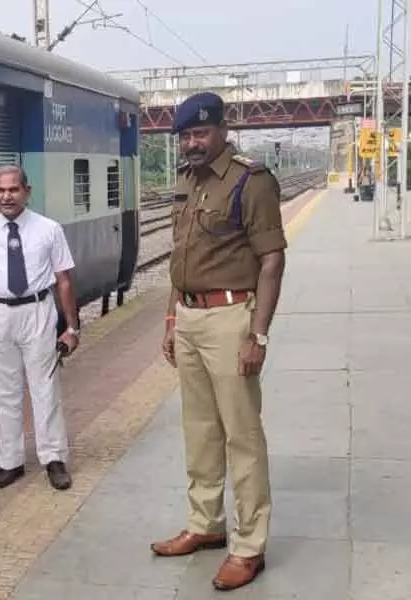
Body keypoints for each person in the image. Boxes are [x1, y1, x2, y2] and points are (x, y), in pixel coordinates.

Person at [151, 92, 287, 591]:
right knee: (200, 428)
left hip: (232, 317)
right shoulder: (186, 180)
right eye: (185, 136)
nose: (192, 143)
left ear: (222, 131)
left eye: (200, 134)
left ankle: (249, 546)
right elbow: (181, 256)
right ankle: (205, 524)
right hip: (188, 315)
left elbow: (272, 260)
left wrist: (259, 334)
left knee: (242, 435)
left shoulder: (251, 181)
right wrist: (171, 316)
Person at [0, 164, 79, 492]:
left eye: (13, 189)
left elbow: (64, 280)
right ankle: (10, 461)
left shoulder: (49, 230)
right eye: (0, 190)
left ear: (27, 191)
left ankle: (54, 458)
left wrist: (71, 326)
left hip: (37, 311)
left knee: (45, 387)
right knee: (4, 393)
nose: (6, 196)